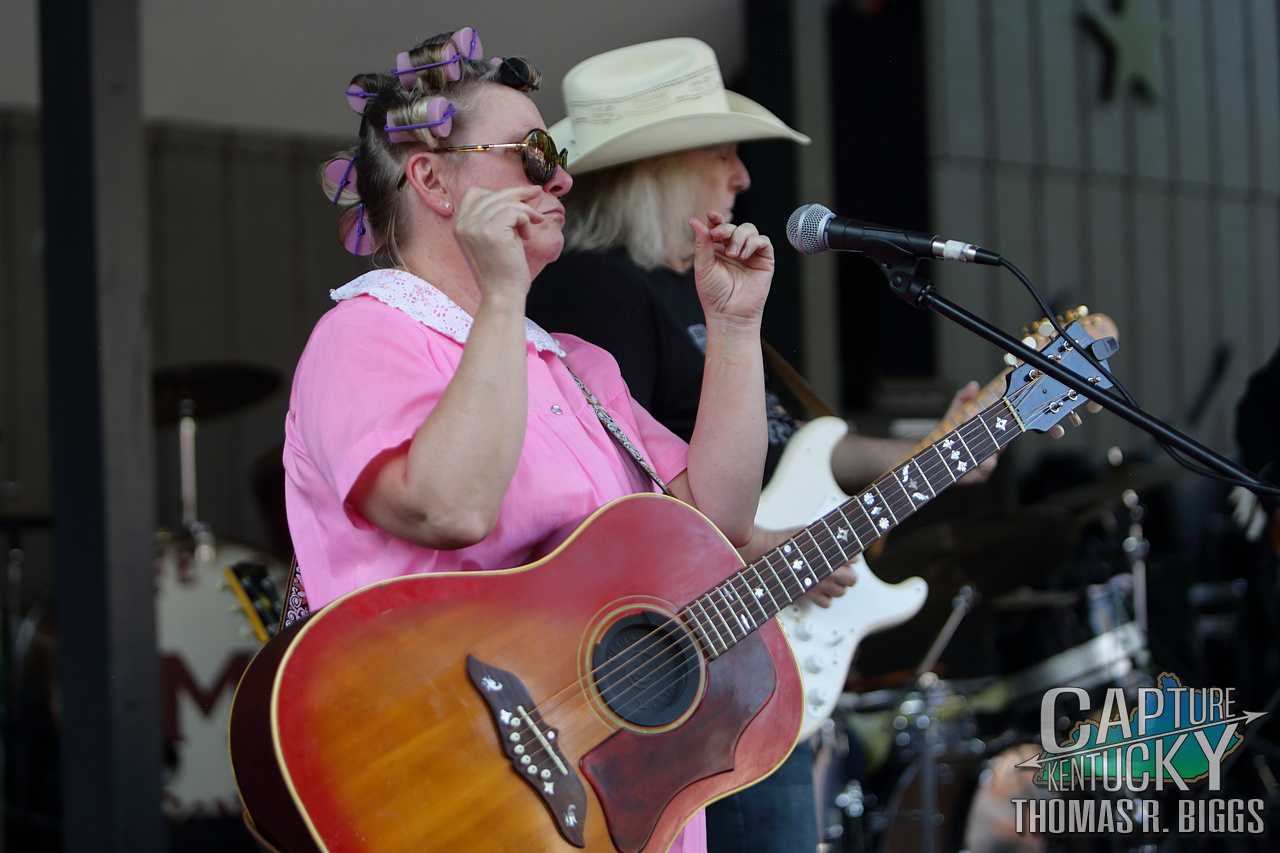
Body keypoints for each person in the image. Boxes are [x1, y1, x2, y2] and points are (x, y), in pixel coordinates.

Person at [282, 27, 782, 853]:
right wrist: (503, 292)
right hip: (453, 783)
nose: (562, 177)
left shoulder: (576, 364)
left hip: (603, 787)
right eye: (534, 153)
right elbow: (450, 507)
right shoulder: (363, 335)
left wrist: (734, 331)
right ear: (433, 179)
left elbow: (713, 524)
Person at [527, 37, 996, 853]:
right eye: (723, 153)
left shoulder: (693, 284)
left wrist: (941, 448)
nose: (743, 176)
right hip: (690, 660)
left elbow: (807, 445)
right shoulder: (598, 289)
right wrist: (758, 546)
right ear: (661, 167)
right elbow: (604, 488)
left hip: (748, 643)